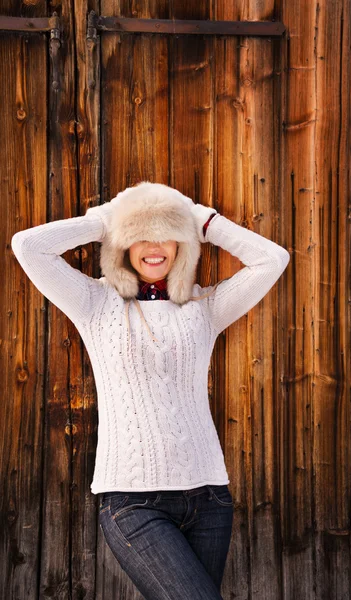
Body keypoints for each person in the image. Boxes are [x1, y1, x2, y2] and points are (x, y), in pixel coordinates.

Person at [11, 181, 290, 599]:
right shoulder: (93, 301)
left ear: (183, 245)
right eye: (140, 233)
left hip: (209, 499)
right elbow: (28, 246)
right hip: (133, 502)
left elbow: (273, 260)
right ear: (123, 243)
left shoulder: (205, 307)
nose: (154, 245)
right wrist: (110, 218)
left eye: (167, 233)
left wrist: (204, 221)